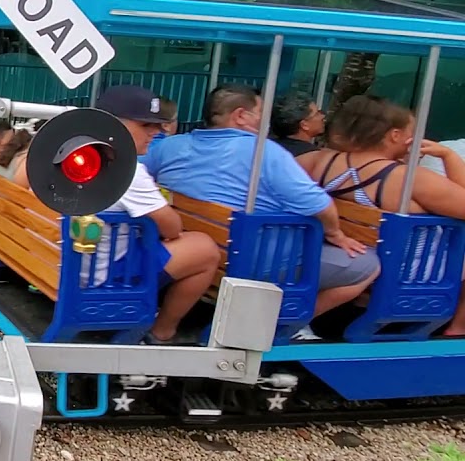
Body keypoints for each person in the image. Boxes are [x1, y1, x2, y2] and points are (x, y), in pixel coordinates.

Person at [143, 84, 378, 338]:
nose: (265, 122)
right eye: (260, 113)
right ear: (241, 116)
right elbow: (319, 204)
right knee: (368, 265)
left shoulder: (170, 147)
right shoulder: (265, 153)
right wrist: (335, 234)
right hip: (252, 265)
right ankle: (275, 328)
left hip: (200, 259)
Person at [298, 95, 465, 336]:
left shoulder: (315, 160)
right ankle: (458, 330)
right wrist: (448, 156)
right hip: (405, 276)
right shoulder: (408, 179)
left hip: (343, 263)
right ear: (395, 135)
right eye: (413, 132)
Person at [93, 86, 222, 344]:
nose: (157, 132)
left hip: (67, 264)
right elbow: (171, 228)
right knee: (205, 249)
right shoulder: (125, 169)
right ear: (112, 125)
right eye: (145, 125)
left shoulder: (75, 153)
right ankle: (162, 332)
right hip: (101, 277)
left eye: (158, 124)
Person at [271, 92, 325, 157]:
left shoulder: (269, 147)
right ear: (304, 125)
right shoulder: (313, 157)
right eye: (317, 114)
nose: (322, 116)